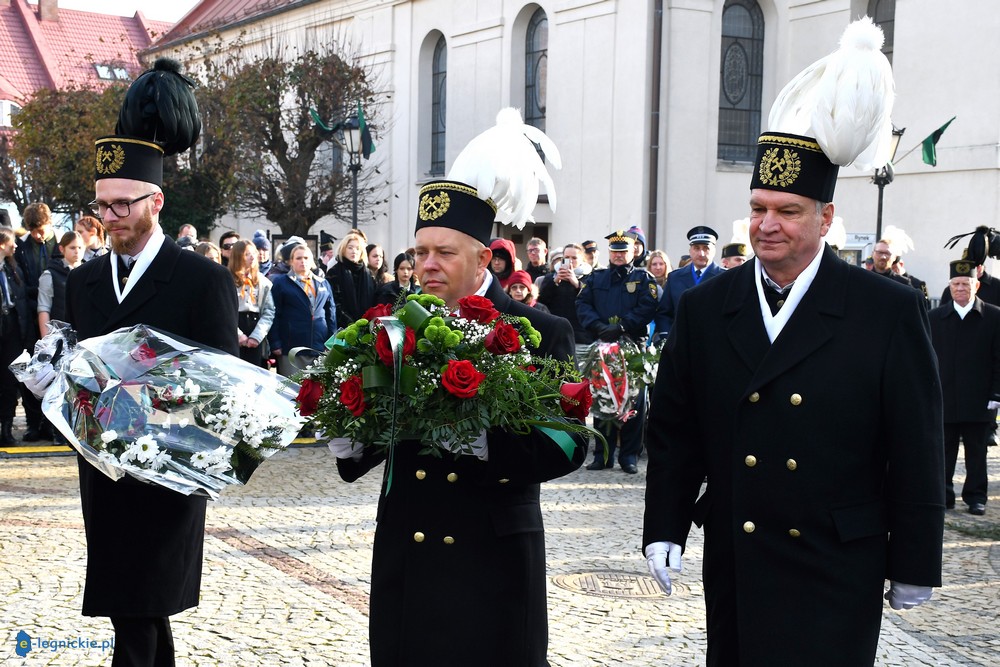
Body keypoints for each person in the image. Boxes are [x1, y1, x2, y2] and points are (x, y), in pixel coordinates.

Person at [642, 20, 944, 667]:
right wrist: (664, 524)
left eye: (786, 210)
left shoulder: (884, 309)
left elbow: (916, 440)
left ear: (826, 218)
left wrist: (916, 556)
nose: (766, 225)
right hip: (739, 555)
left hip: (838, 559)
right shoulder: (705, 308)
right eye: (757, 208)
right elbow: (675, 429)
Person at [332, 109, 586, 667]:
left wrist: (479, 443)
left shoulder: (542, 331)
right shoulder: (393, 329)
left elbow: (570, 443)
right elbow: (376, 436)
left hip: (491, 556)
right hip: (410, 549)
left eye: (444, 253)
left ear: (483, 257)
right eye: (420, 252)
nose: (426, 265)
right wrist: (352, 436)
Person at [26, 57, 241, 666]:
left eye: (123, 204)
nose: (110, 218)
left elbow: (222, 386)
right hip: (104, 474)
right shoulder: (85, 280)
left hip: (169, 472)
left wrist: (154, 409)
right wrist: (54, 381)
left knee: (140, 616)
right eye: (102, 206)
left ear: (156, 201)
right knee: (138, 613)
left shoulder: (202, 279)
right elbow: (82, 366)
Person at [576, 229, 658, 473]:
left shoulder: (644, 279)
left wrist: (622, 326)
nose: (619, 255)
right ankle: (603, 455)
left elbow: (648, 306)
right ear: (609, 252)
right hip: (603, 346)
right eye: (615, 251)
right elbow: (582, 304)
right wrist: (599, 326)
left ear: (633, 251)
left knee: (633, 401)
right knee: (602, 400)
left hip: (632, 347)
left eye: (623, 251)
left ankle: (629, 456)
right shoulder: (596, 278)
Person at [929, 259, 1000, 516]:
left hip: (979, 399)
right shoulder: (934, 318)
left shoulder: (993, 316)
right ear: (949, 286)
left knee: (977, 452)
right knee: (943, 451)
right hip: (944, 397)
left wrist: (996, 393)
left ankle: (976, 496)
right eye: (956, 284)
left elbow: (998, 358)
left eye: (966, 283)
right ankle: (944, 495)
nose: (961, 288)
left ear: (977, 285)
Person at [14, 202, 57, 442]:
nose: (38, 235)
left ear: (49, 223)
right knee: (30, 372)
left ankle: (51, 424)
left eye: (41, 229)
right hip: (30, 317)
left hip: (56, 316)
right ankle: (33, 423)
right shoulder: (21, 249)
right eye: (33, 231)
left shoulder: (60, 245)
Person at [269, 243, 336, 377]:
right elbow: (274, 314)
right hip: (291, 347)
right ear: (291, 261)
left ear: (312, 261)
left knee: (317, 390)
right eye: (298, 258)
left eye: (306, 258)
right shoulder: (281, 283)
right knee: (291, 389)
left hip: (318, 346)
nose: (303, 261)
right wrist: (275, 343)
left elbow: (331, 314)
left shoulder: (323, 283)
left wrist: (331, 341)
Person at [653, 226, 725, 338]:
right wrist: (666, 336)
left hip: (714, 342)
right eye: (696, 248)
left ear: (714, 251)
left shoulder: (725, 277)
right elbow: (664, 313)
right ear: (690, 251)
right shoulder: (675, 277)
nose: (701, 253)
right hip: (681, 342)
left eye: (706, 248)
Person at [0, 227, 30, 446]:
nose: (16, 245)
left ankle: (7, 430)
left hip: (12, 329)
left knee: (9, 382)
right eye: (12, 242)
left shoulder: (12, 268)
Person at [537, 243, 592, 360]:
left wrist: (577, 284)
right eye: (566, 258)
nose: (570, 261)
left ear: (582, 259)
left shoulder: (590, 278)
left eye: (574, 258)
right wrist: (555, 282)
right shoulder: (550, 278)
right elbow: (541, 303)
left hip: (581, 336)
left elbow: (592, 300)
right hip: (557, 334)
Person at [229, 240, 275, 368]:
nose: (253, 257)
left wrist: (256, 336)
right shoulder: (227, 279)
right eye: (247, 254)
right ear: (238, 256)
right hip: (235, 325)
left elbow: (269, 311)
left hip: (255, 327)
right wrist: (238, 335)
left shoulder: (262, 282)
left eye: (253, 253)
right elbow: (223, 311)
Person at [37, 231, 85, 340]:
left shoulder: (90, 272)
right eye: (72, 248)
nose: (77, 251)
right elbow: (43, 309)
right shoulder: (49, 274)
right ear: (62, 249)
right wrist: (47, 342)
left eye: (80, 247)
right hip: (60, 336)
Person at [327, 230, 376, 328]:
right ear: (343, 249)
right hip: (342, 327)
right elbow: (334, 303)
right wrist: (350, 323)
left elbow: (374, 300)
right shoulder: (334, 272)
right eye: (350, 248)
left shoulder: (369, 274)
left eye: (358, 248)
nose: (354, 251)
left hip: (366, 327)